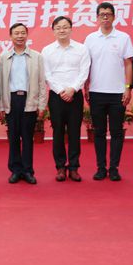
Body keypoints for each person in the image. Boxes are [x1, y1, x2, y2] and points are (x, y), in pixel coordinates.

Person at [84, 3, 133, 182]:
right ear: (97, 17)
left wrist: (127, 88)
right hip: (96, 92)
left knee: (116, 132)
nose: (105, 17)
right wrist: (86, 86)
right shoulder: (90, 39)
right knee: (98, 132)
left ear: (114, 17)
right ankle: (100, 168)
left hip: (117, 93)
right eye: (102, 14)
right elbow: (86, 65)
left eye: (108, 14)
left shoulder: (123, 37)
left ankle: (114, 168)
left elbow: (128, 64)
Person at [41, 16, 90, 182]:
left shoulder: (81, 49)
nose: (62, 30)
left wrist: (72, 89)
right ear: (53, 31)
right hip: (56, 96)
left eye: (65, 27)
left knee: (75, 132)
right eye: (58, 27)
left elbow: (84, 72)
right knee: (58, 132)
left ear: (71, 29)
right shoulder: (47, 50)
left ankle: (74, 167)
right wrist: (61, 90)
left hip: (75, 95)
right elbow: (47, 74)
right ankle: (60, 167)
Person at [0, 23, 46, 185]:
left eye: (23, 33)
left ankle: (27, 171)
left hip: (29, 99)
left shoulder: (37, 57)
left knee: (27, 137)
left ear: (27, 35)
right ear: (10, 36)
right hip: (11, 100)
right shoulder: (4, 57)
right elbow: (1, 82)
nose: (20, 36)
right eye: (16, 33)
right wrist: (1, 105)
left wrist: (41, 105)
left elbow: (41, 82)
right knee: (13, 137)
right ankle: (15, 170)